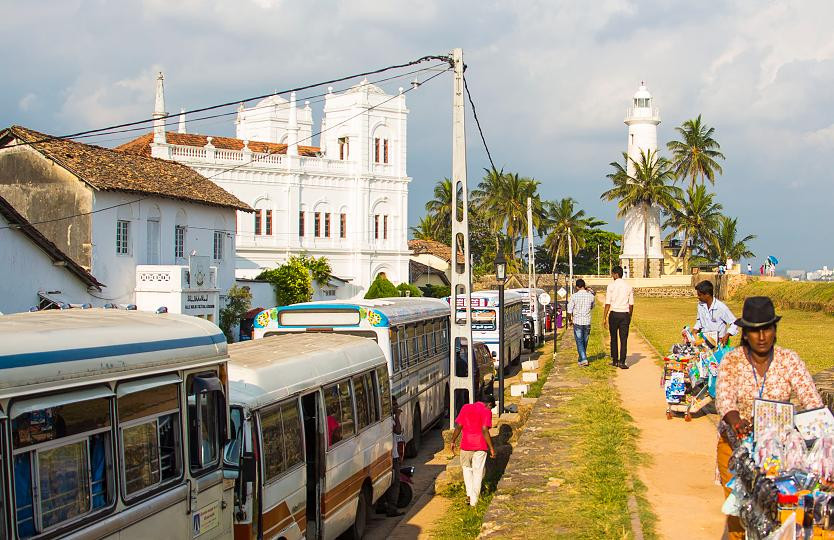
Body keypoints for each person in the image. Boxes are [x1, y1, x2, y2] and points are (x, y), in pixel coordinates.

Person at [715, 296, 822, 539]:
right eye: (755, 331)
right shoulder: (732, 360)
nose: (761, 337)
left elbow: (811, 400)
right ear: (745, 334)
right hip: (737, 449)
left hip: (780, 451)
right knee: (741, 517)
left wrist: (815, 427)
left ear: (775, 330)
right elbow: (724, 398)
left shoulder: (789, 360)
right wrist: (736, 421)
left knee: (780, 517)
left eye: (767, 329)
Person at [449, 396, 496, 507]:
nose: (491, 410)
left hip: (466, 445)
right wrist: (492, 448)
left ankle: (469, 495)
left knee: (467, 470)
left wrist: (452, 440)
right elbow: (484, 429)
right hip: (480, 445)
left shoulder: (466, 407)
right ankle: (474, 502)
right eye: (492, 407)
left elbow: (459, 426)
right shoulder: (486, 411)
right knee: (478, 472)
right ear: (489, 404)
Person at [603, 266, 634, 369]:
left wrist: (604, 317)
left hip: (614, 313)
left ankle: (615, 360)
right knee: (624, 339)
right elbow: (631, 305)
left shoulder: (611, 286)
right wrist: (629, 316)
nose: (612, 276)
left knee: (614, 338)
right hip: (624, 314)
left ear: (616, 274)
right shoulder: (628, 286)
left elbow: (607, 303)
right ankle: (622, 362)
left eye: (612, 274)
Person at [693, 280, 738, 347]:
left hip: (719, 342)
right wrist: (695, 329)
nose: (698, 297)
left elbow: (735, 323)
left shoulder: (721, 307)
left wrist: (728, 334)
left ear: (707, 295)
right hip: (704, 341)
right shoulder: (700, 305)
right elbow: (699, 320)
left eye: (700, 295)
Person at [384, 397, 405, 517]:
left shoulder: (388, 419)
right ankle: (392, 508)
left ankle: (384, 505)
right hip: (392, 456)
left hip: (391, 454)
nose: (396, 406)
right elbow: (397, 431)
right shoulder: (390, 420)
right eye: (393, 405)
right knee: (395, 481)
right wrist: (397, 416)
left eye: (396, 404)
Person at [567, 278, 595, 367]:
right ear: (584, 286)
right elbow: (592, 306)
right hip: (587, 321)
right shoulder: (591, 296)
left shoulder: (574, 296)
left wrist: (570, 320)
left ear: (577, 287)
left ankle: (583, 359)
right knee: (585, 340)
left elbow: (569, 310)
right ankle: (581, 358)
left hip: (577, 321)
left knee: (579, 341)